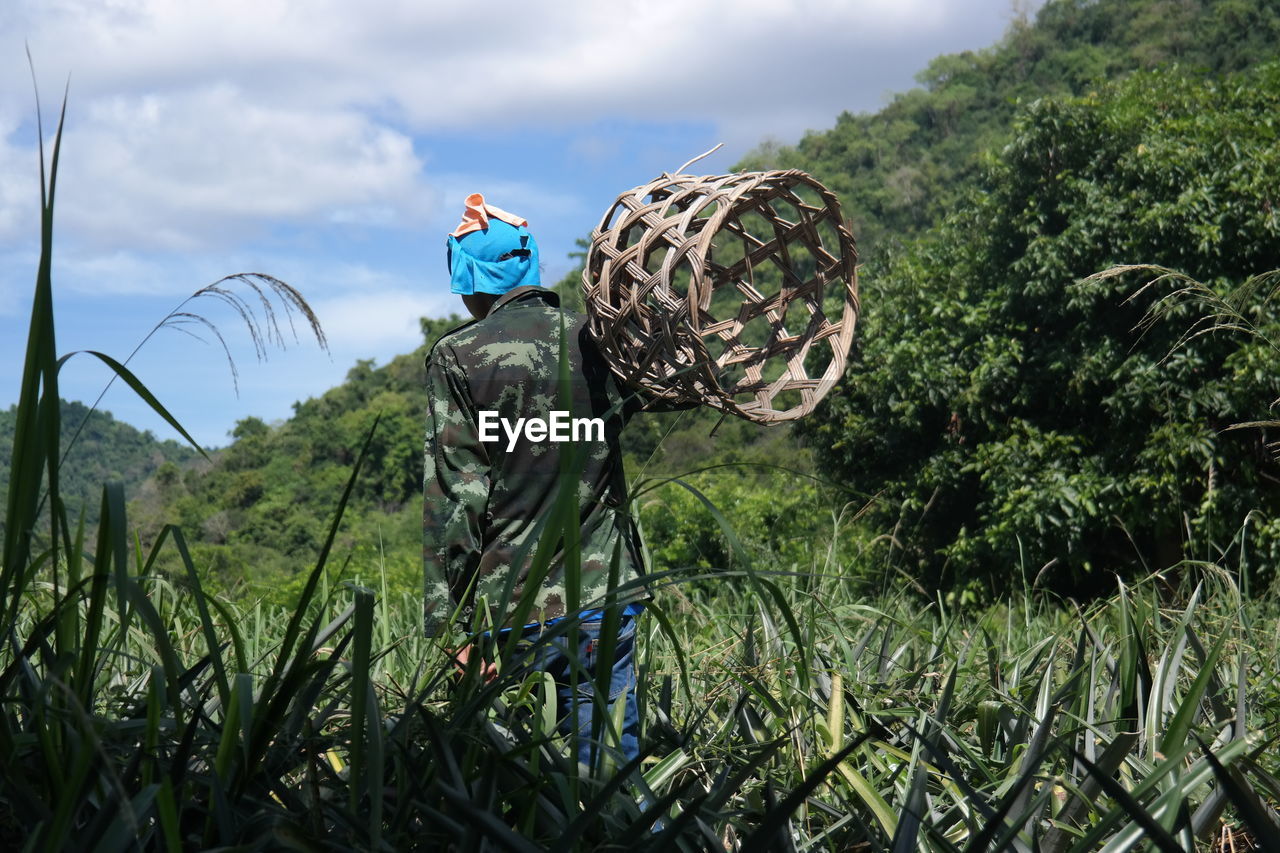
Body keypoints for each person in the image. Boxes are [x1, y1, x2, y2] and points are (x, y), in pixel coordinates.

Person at [423, 193, 671, 770]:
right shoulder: (600, 343)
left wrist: (449, 628)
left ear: (467, 278)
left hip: (508, 610)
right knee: (609, 767)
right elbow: (668, 387)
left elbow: (454, 497)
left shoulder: (458, 357)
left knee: (512, 779)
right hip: (603, 598)